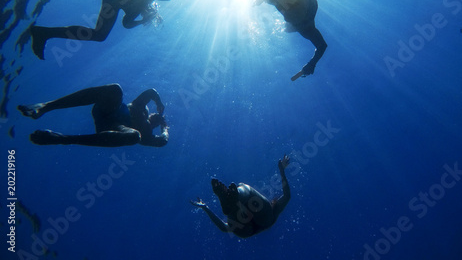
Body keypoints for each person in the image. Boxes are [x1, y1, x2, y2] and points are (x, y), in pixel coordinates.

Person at [30, 0, 174, 60]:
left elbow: (126, 23)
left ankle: (44, 33)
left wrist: (142, 21)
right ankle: (43, 33)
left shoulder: (138, 7)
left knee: (99, 35)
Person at [17, 83, 168, 147]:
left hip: (112, 127)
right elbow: (151, 92)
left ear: (156, 125)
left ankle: (63, 139)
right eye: (159, 115)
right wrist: (159, 102)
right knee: (115, 90)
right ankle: (46, 106)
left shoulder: (146, 135)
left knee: (134, 137)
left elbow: (163, 141)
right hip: (109, 110)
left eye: (159, 120)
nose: (159, 117)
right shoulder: (141, 107)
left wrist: (165, 128)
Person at [190, 155, 290, 238]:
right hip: (262, 222)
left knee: (242, 194)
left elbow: (224, 228)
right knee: (243, 189)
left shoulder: (270, 210)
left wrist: (205, 207)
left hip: (245, 229)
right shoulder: (273, 211)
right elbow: (287, 196)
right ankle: (237, 195)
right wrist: (282, 170)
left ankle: (236, 197)